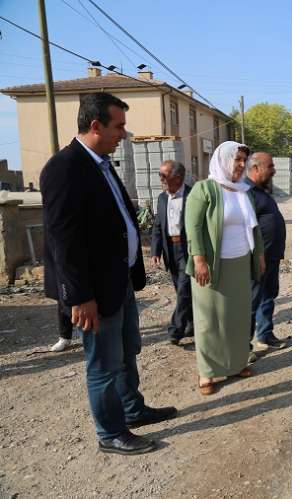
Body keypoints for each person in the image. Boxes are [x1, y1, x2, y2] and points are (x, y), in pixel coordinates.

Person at [40, 92, 176, 455]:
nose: (124, 134)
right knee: (102, 363)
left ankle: (132, 410)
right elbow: (62, 242)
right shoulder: (64, 168)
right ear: (96, 125)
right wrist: (80, 297)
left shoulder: (101, 163)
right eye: (119, 127)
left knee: (127, 352)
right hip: (93, 293)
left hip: (118, 284)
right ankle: (110, 432)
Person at [184, 141, 266, 396]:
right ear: (223, 160)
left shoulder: (242, 191)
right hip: (212, 266)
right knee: (210, 319)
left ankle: (237, 363)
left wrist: (260, 255)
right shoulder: (204, 189)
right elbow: (193, 227)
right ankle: (207, 371)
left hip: (240, 262)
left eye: (244, 160)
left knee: (238, 318)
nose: (241, 165)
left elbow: (253, 226)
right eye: (237, 159)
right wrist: (199, 260)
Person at [247, 152, 287, 351]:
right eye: (270, 166)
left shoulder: (261, 191)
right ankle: (242, 348)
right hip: (257, 259)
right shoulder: (246, 192)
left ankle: (265, 335)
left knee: (268, 295)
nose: (274, 170)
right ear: (255, 168)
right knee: (251, 301)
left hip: (271, 256)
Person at [151, 160, 193, 345]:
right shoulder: (162, 198)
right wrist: (155, 251)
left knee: (184, 289)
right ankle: (191, 325)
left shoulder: (192, 195)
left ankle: (175, 330)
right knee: (181, 290)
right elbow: (158, 226)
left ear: (177, 177)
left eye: (164, 175)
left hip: (188, 250)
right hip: (170, 250)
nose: (161, 179)